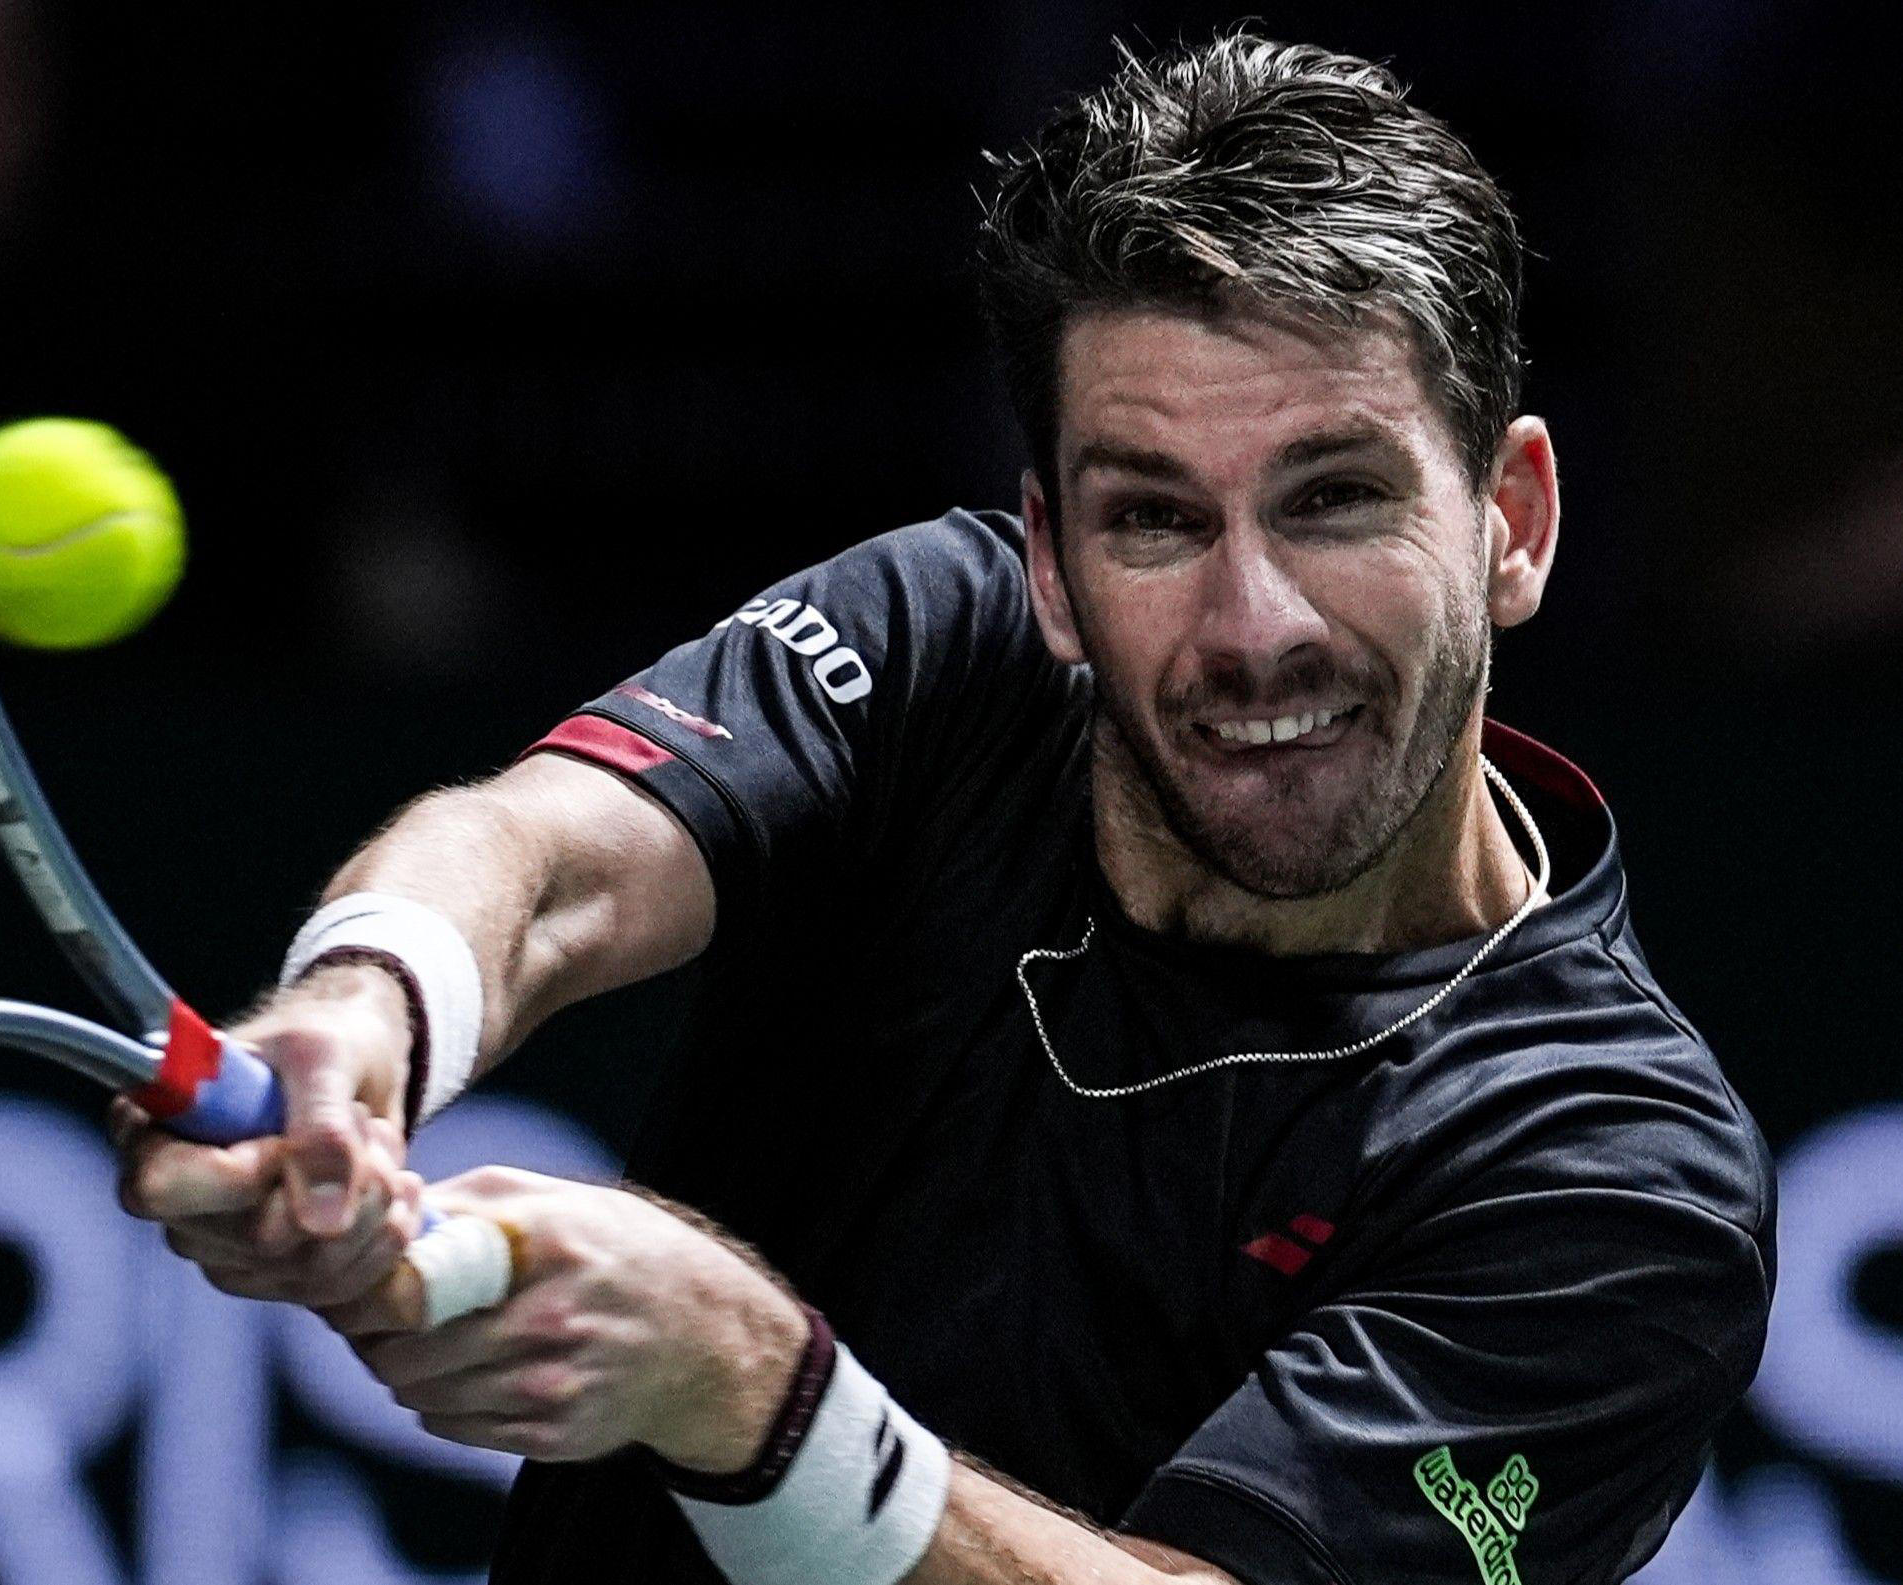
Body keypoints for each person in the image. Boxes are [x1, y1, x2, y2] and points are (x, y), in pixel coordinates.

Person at [112, 32, 1773, 1585]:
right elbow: (544, 865)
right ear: (1051, 567)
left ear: (1511, 519)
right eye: (1153, 520)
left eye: (1334, 498)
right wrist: (369, 1002)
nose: (1254, 622)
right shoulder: (951, 652)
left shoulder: (1612, 1175)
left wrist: (749, 1388)